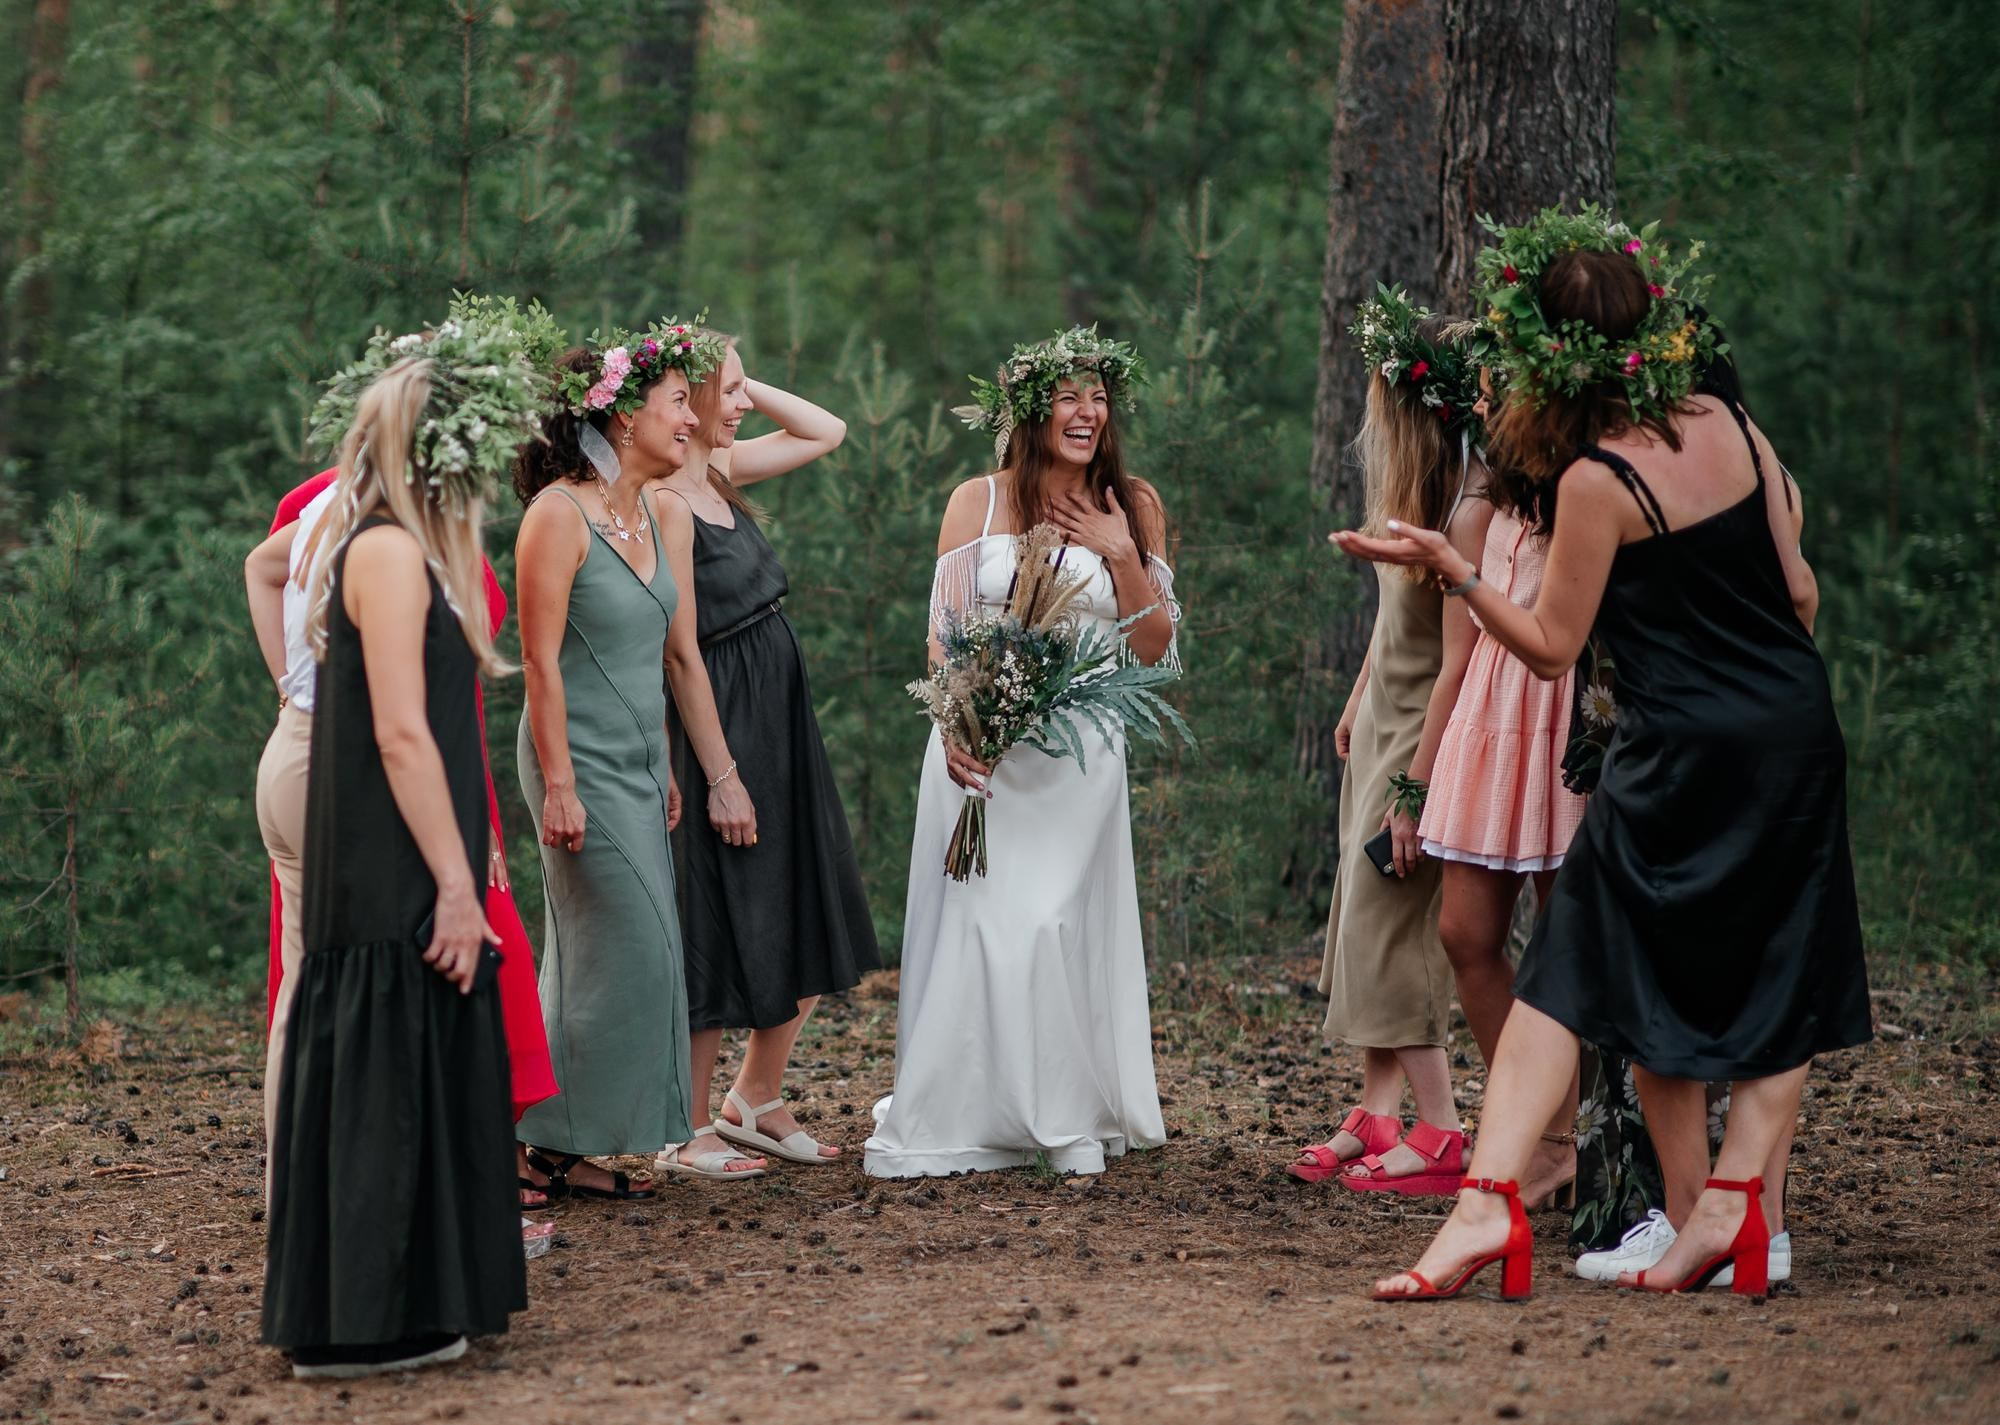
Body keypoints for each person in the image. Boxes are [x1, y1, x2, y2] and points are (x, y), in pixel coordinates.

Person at [1332, 206, 1870, 1301]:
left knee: (1574, 960)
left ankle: (1501, 1204)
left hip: (1674, 744)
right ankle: (1722, 1211)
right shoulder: (1733, 425)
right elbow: (1799, 591)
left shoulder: (1596, 481)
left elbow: (1546, 648)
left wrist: (1455, 568)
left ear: (1550, 356)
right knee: (1782, 953)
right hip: (1788, 729)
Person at [262, 322, 541, 1377]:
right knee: (380, 1056)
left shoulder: (416, 546)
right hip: (385, 854)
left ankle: (424, 1293)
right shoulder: (379, 550)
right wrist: (457, 886)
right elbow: (396, 728)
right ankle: (356, 1319)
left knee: (424, 1048)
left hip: (420, 843)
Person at [864, 326, 1175, 1179]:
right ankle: (966, 1105)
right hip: (981, 748)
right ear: (1029, 411)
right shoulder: (980, 501)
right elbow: (942, 636)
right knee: (975, 922)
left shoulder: (1133, 504)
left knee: (1045, 922)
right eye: (1069, 396)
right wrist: (962, 724)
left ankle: (1057, 1106)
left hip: (1077, 754)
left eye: (1099, 397)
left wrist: (1121, 555)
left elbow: (1153, 648)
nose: (1087, 412)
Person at [247, 466, 560, 1213]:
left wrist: (294, 692)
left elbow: (263, 570)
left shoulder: (369, 508)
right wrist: (296, 687)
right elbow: (399, 720)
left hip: (329, 747)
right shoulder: (382, 528)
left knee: (312, 987)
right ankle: (365, 1202)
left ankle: (314, 1195)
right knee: (369, 985)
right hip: (358, 761)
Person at [511, 321, 767, 1192]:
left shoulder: (662, 512)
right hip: (572, 757)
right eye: (673, 406)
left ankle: (560, 1148)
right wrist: (559, 784)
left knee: (605, 955)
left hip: (637, 760)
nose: (690, 420)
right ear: (625, 419)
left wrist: (677, 762)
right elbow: (539, 662)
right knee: (633, 950)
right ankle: (532, 1138)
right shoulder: (557, 515)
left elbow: (676, 654)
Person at [646, 335, 879, 1168]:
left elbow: (826, 429)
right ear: (686, 399)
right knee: (718, 906)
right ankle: (690, 1122)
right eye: (730, 391)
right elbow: (679, 650)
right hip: (723, 721)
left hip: (778, 716)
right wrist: (721, 776)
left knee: (804, 888)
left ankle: (759, 1093)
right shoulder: (667, 501)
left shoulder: (719, 473)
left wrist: (726, 379)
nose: (744, 403)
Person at [1289, 290, 1488, 1196]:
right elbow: (1391, 627)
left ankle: (1443, 1129)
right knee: (1358, 920)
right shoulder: (1414, 492)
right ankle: (1375, 1109)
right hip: (1379, 724)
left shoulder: (1468, 509)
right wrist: (1357, 694)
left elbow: (1457, 663)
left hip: (1422, 738)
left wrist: (1416, 788)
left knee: (1391, 925)